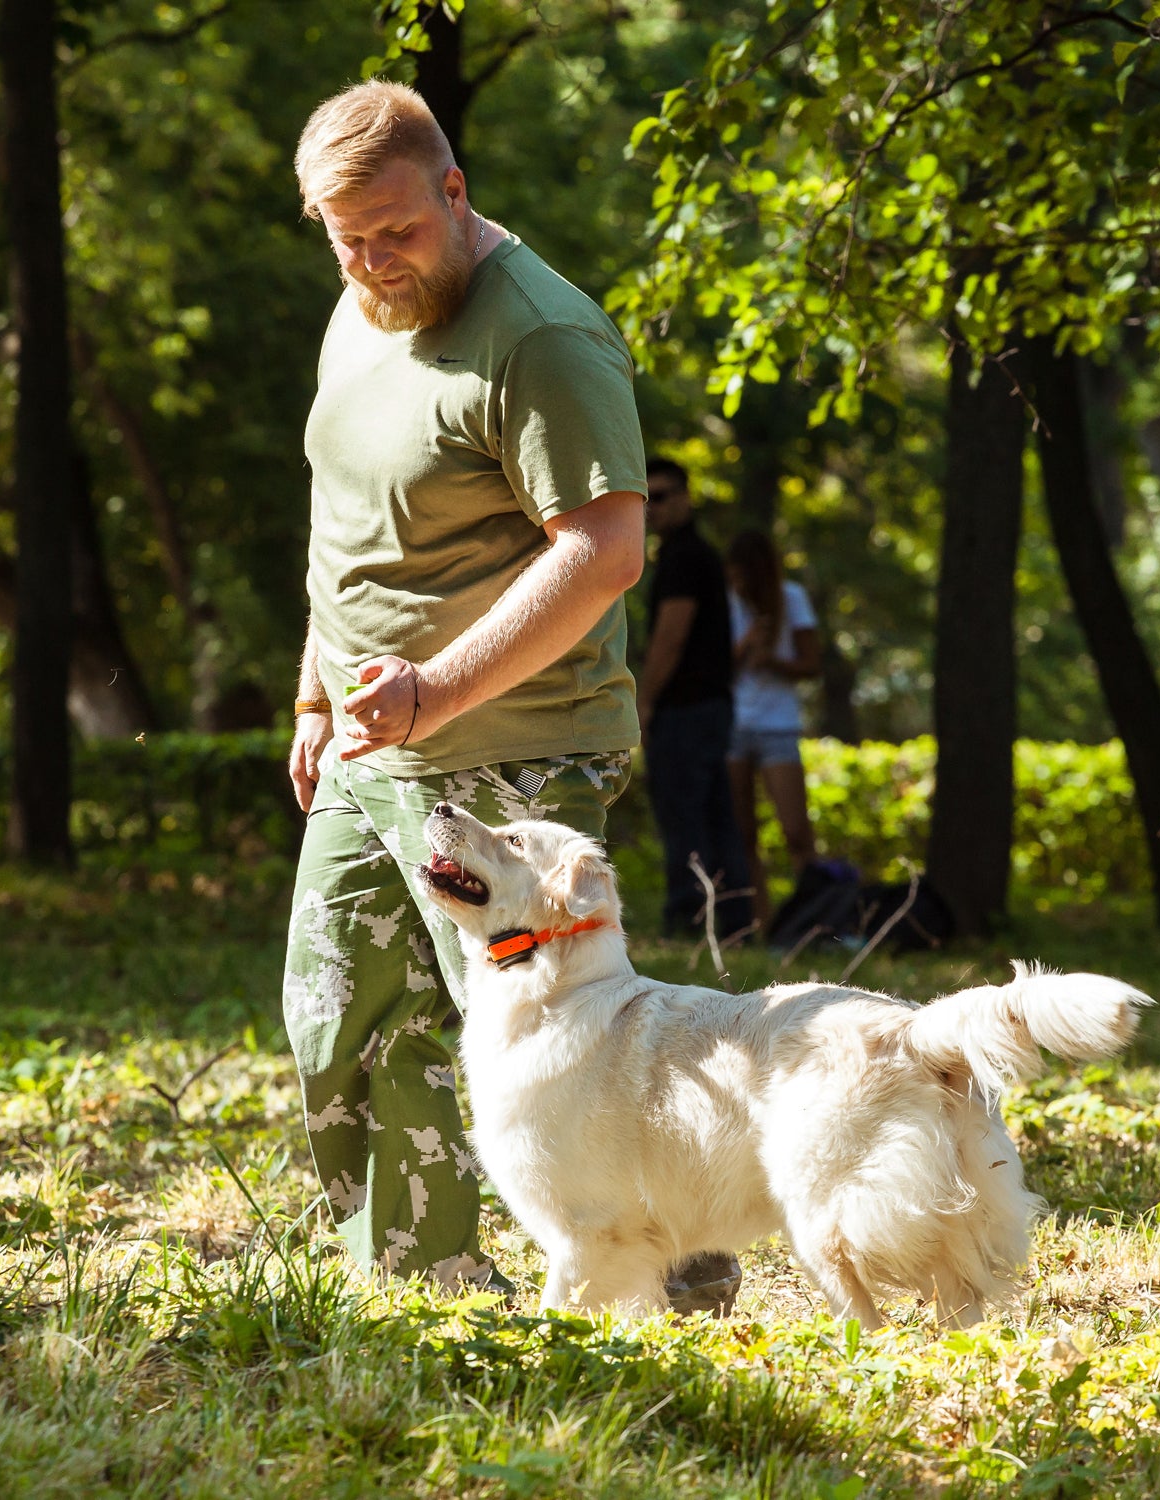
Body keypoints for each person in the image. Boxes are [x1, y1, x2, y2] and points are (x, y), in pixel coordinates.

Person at [283, 80, 646, 1295]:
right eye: (348, 240)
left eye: (397, 230)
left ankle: (667, 1268)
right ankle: (426, 1283)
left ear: (455, 189)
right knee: (339, 1019)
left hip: (517, 754)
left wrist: (434, 690)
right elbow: (348, 524)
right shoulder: (360, 308)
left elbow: (604, 550)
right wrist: (316, 696)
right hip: (373, 748)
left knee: (559, 1055)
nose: (374, 261)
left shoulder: (541, 337)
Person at [638, 458, 753, 940]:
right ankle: (736, 924)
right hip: (708, 708)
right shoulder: (692, 554)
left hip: (686, 710)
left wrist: (644, 702)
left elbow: (672, 636)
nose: (653, 508)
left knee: (684, 815)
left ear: (686, 497)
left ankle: (688, 923)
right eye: (645, 499)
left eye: (662, 496)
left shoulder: (684, 557)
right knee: (715, 815)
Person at [725, 529, 823, 927]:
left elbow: (812, 664)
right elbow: (712, 671)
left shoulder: (792, 598)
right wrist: (746, 645)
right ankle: (760, 924)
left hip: (778, 727)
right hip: (733, 726)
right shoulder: (725, 603)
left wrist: (774, 661)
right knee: (743, 833)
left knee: (796, 831)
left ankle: (813, 918)